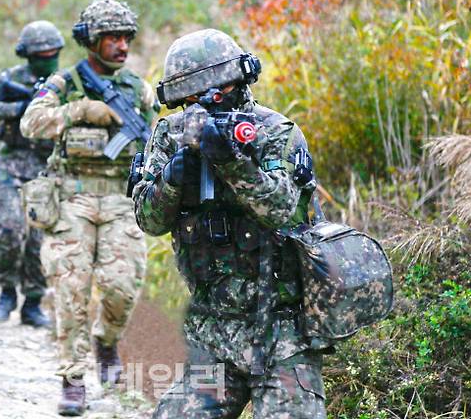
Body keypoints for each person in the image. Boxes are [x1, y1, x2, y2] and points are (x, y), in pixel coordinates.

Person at [132, 29, 328, 418]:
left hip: (282, 336)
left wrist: (231, 160)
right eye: (185, 102)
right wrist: (172, 179)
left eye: (207, 98)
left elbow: (282, 209)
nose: (196, 111)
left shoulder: (274, 132)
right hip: (213, 334)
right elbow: (148, 220)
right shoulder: (171, 137)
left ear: (234, 85)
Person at [20, 0, 159, 416]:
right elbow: (31, 123)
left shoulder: (137, 88)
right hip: (72, 201)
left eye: (126, 38)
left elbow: (157, 138)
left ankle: (107, 342)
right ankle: (72, 380)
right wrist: (81, 110)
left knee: (122, 288)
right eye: (112, 38)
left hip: (120, 200)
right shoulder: (65, 83)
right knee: (70, 292)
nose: (121, 46)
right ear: (92, 41)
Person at [0, 21, 64, 327]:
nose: (47, 58)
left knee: (38, 241)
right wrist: (21, 109)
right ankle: (7, 292)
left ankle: (33, 303)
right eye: (40, 54)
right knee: (11, 229)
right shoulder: (9, 79)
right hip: (12, 165)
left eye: (52, 53)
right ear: (26, 54)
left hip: (46, 170)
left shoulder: (64, 82)